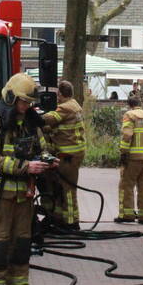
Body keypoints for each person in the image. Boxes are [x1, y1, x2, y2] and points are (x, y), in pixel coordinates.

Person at [0, 72, 56, 285]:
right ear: (11, 97)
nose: (27, 106)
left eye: (29, 103)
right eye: (23, 102)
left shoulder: (30, 122)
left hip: (24, 196)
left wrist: (47, 160)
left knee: (22, 244)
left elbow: (42, 147)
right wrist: (25, 167)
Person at [39, 80, 86, 229]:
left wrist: (35, 116)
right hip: (71, 154)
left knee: (67, 189)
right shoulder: (75, 105)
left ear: (61, 93)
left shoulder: (65, 108)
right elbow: (55, 127)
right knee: (58, 187)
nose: (57, 98)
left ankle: (72, 222)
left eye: (58, 94)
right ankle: (58, 218)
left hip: (68, 156)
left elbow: (50, 118)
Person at [115, 96, 143, 224]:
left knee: (126, 185)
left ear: (130, 105)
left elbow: (127, 135)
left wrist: (123, 154)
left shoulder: (130, 115)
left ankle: (127, 215)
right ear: (141, 104)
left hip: (133, 158)